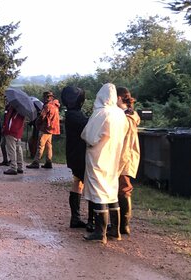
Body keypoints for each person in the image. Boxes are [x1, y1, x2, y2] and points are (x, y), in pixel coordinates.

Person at [81, 83, 128, 244]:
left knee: (98, 191)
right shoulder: (120, 114)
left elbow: (89, 135)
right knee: (111, 190)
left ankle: (100, 232)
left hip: (99, 156)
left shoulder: (101, 113)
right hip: (115, 155)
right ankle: (115, 229)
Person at [61, 86, 91, 229]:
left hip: (74, 154)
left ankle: (76, 218)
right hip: (80, 154)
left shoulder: (71, 114)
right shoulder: (76, 116)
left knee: (78, 183)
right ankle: (92, 220)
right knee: (90, 186)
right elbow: (89, 126)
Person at [116, 86, 140, 236]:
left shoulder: (126, 117)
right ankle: (121, 224)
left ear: (119, 98)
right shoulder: (130, 115)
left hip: (124, 156)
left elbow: (125, 142)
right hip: (126, 155)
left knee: (124, 188)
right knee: (123, 188)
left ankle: (124, 225)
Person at [27, 91, 60, 169]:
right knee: (49, 145)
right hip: (52, 128)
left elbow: (42, 117)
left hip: (46, 128)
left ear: (49, 97)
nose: (45, 98)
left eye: (46, 97)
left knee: (40, 145)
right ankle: (48, 162)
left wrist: (36, 123)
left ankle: (36, 162)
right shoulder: (55, 106)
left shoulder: (47, 106)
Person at [2, 105, 25, 175]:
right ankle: (20, 167)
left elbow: (8, 119)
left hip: (11, 130)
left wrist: (5, 129)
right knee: (19, 149)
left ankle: (13, 167)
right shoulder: (23, 110)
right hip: (18, 131)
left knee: (11, 149)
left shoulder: (12, 108)